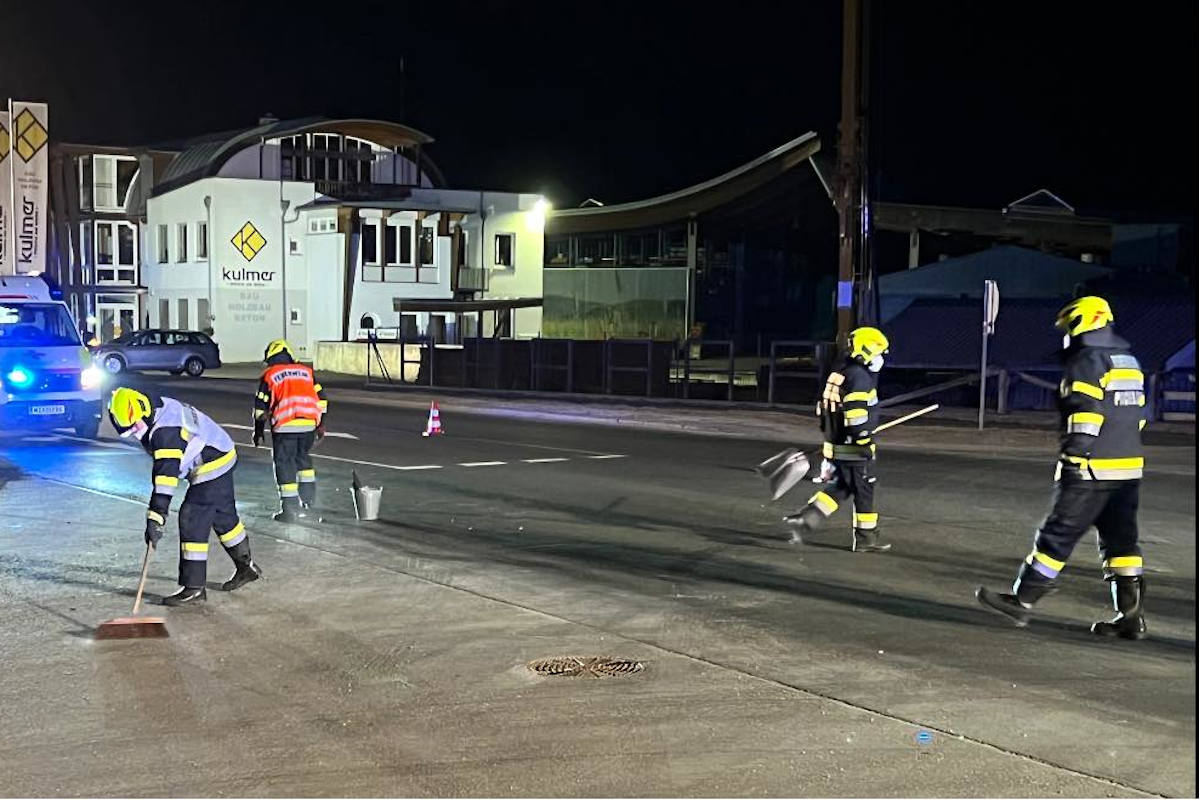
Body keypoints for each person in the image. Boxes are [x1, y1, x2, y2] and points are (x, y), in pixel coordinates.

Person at [977, 296, 1148, 639]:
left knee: (1057, 535)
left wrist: (1074, 457)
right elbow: (1139, 416)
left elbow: (1085, 414)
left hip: (1090, 469)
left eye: (1070, 325)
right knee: (1122, 545)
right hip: (1127, 469)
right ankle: (1130, 618)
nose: (1067, 333)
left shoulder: (1087, 360)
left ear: (1083, 322)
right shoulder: (1127, 359)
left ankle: (1022, 601)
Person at [109, 387, 262, 605]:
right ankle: (247, 567)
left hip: (212, 463)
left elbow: (165, 479)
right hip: (221, 450)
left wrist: (156, 518)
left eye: (134, 426)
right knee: (223, 517)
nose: (134, 432)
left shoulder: (165, 432)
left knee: (192, 517)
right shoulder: (156, 405)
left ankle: (194, 588)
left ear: (142, 413)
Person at [785, 326, 891, 553]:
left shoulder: (839, 373)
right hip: (854, 448)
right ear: (866, 351)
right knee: (864, 489)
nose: (880, 358)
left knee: (843, 486)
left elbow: (822, 410)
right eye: (879, 353)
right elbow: (855, 416)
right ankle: (865, 539)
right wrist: (863, 438)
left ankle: (806, 519)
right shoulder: (860, 378)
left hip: (837, 445)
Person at [253, 339, 328, 522]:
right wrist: (320, 424)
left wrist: (258, 431)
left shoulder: (270, 375)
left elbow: (260, 410)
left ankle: (289, 510)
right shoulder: (306, 372)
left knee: (285, 464)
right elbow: (322, 400)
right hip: (309, 425)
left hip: (285, 426)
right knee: (303, 461)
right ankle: (308, 503)